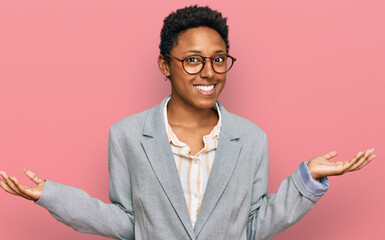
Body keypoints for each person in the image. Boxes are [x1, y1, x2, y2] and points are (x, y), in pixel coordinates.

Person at [0, 5, 376, 240]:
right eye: (193, 60)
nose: (209, 72)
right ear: (165, 64)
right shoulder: (127, 135)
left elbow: (253, 227)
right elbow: (127, 223)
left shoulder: (251, 138)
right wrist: (52, 196)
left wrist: (306, 180)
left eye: (218, 59)